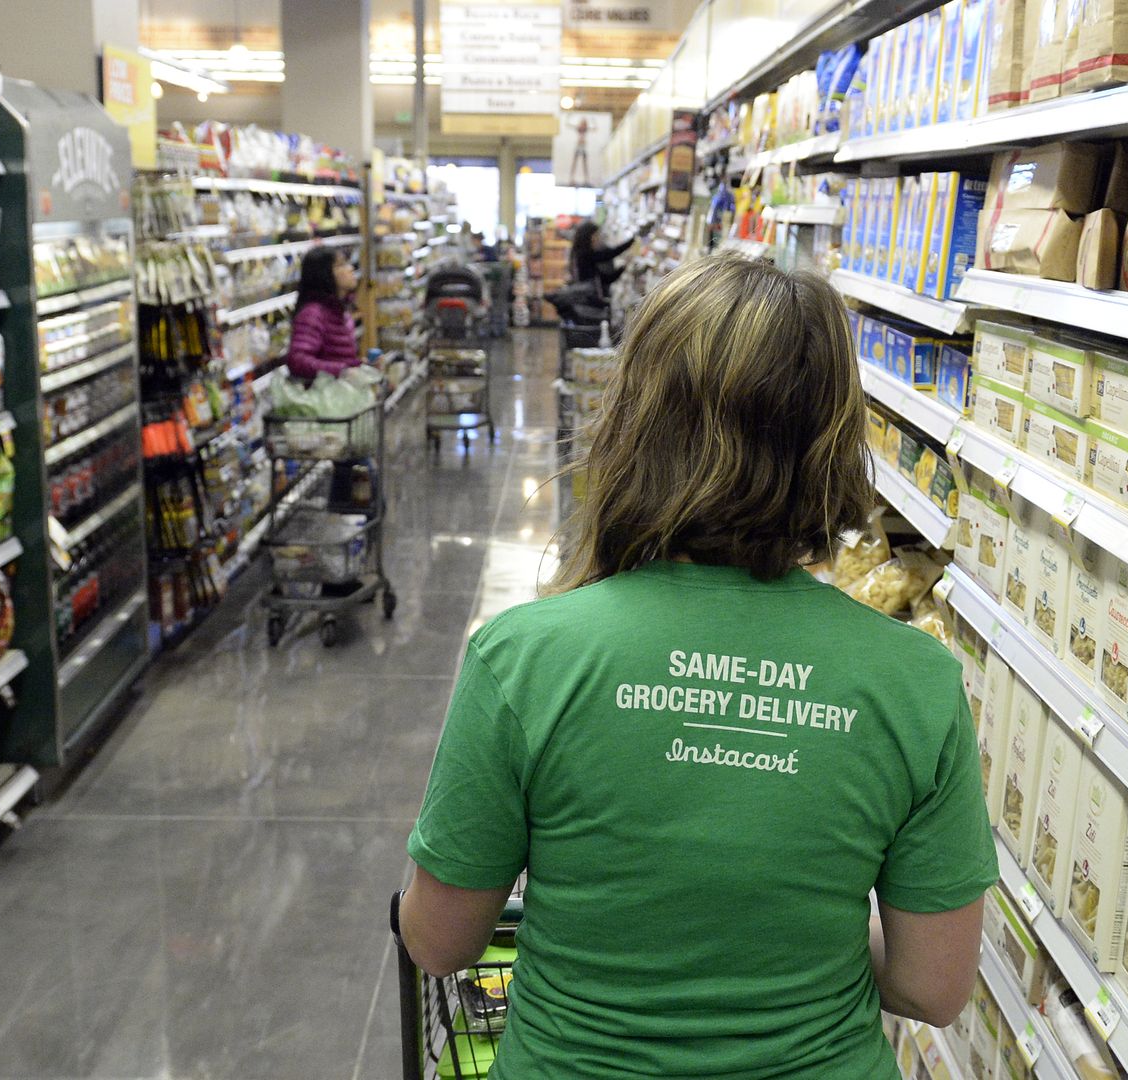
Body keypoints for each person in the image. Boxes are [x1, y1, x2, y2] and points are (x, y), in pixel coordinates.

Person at [399, 256, 997, 1079]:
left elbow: (437, 942)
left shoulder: (525, 657)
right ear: (833, 441)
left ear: (637, 424)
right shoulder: (916, 683)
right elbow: (933, 987)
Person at [285, 246, 361, 382]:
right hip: (323, 399)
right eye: (341, 265)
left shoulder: (341, 312)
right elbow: (297, 360)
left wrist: (362, 366)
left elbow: (338, 358)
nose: (350, 268)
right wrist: (341, 371)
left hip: (338, 397)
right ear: (324, 274)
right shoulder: (313, 315)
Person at [568, 220, 632, 298]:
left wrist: (623, 267)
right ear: (588, 236)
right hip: (589, 302)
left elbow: (606, 279)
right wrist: (631, 241)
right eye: (596, 235)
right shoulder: (583, 255)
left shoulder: (580, 256)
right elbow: (608, 255)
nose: (598, 239)